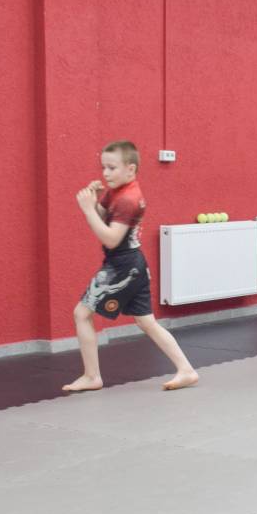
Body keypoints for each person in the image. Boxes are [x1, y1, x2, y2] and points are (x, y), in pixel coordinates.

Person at [63, 141, 198, 393]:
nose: (106, 173)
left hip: (122, 267)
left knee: (82, 314)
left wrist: (87, 211)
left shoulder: (128, 198)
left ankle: (92, 376)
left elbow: (111, 238)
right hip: (133, 264)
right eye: (103, 167)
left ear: (130, 169)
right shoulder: (117, 191)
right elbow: (105, 216)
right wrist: (93, 201)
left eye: (112, 168)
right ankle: (186, 370)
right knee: (146, 322)